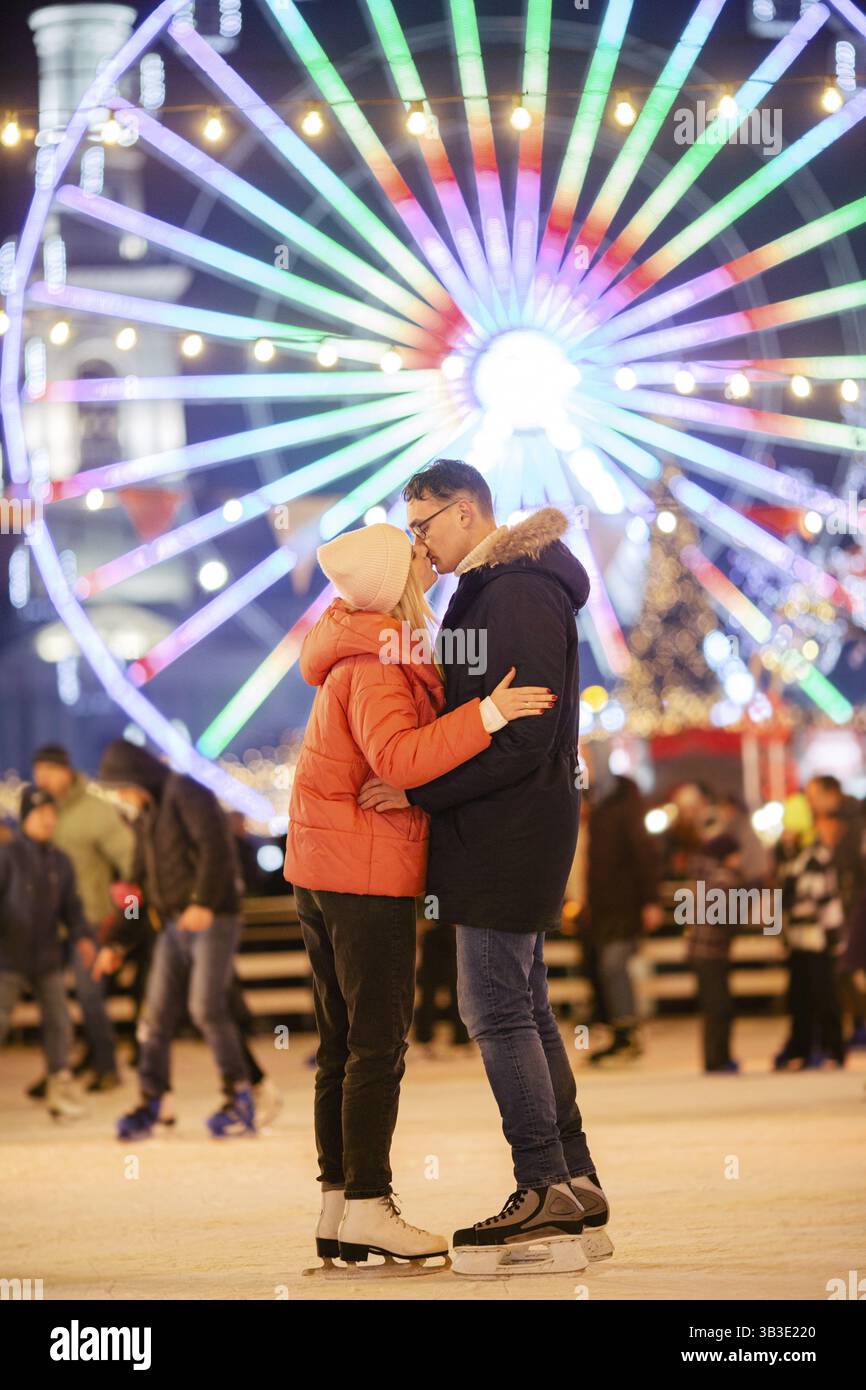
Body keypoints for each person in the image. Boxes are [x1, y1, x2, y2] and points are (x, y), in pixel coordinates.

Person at [359, 459, 610, 1274]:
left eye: (424, 526)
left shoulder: (517, 590)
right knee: (526, 1005)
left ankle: (541, 1187)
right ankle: (573, 1183)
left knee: (494, 1006)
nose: (417, 545)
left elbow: (525, 732)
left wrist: (423, 791)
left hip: (510, 830)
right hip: (506, 827)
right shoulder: (499, 588)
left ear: (466, 513)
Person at [284, 520, 554, 1268]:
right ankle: (370, 1203)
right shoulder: (373, 662)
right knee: (376, 1043)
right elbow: (399, 755)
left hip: (326, 867)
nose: (425, 556)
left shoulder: (361, 647)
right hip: (362, 873)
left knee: (343, 1044)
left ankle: (339, 1203)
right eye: (413, 552)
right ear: (395, 578)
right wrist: (489, 713)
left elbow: (392, 762)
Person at [95, 739, 257, 1138]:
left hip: (214, 917)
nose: (123, 797)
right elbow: (138, 887)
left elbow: (217, 849)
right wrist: (117, 941)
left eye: (122, 787)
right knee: (153, 1017)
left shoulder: (185, 791)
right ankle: (152, 1098)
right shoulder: (147, 816)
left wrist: (202, 901)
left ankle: (240, 1096)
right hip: (172, 924)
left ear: (138, 776)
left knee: (205, 1008)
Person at [31, 744, 136, 1090]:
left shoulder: (95, 811)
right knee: (52, 1000)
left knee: (90, 996)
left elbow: (131, 860)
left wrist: (129, 918)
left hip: (91, 920)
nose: (42, 776)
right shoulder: (39, 812)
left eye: (49, 769)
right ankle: (58, 1071)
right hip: (47, 923)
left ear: (66, 770)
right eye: (38, 769)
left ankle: (107, 1067)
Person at [0, 786, 95, 1119]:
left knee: (59, 1021)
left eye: (52, 814)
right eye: (40, 813)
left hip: (47, 957)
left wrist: (83, 937)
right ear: (25, 817)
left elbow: (73, 908)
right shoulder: (7, 856)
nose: (47, 820)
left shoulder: (60, 861)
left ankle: (60, 1084)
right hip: (7, 957)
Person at [585, 775, 662, 1065]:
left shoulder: (625, 811)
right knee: (605, 968)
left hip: (624, 906)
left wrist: (651, 900)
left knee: (614, 965)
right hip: (604, 908)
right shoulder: (600, 811)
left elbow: (646, 855)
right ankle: (619, 1033)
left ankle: (628, 1034)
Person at [775, 810, 847, 1070]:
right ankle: (801, 1049)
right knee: (798, 997)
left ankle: (833, 1049)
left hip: (817, 939)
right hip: (798, 940)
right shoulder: (792, 859)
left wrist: (834, 939)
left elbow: (821, 900)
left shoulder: (816, 858)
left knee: (824, 995)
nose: (786, 835)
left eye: (791, 830)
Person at [681, 832, 743, 1074]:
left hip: (700, 951)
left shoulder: (701, 875)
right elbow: (724, 917)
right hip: (713, 952)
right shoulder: (723, 878)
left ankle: (715, 1058)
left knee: (712, 1008)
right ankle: (718, 1060)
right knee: (720, 1008)